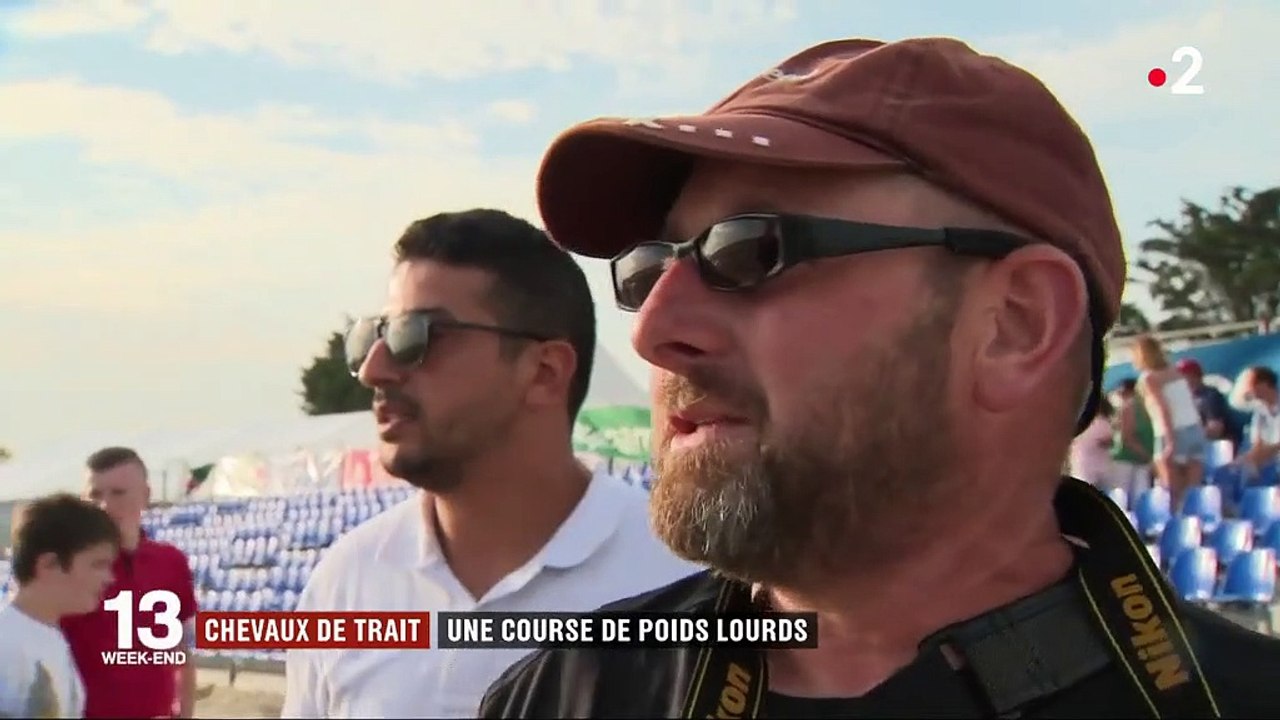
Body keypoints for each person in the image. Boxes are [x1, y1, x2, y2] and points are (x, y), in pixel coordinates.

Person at [479, 37, 1280, 718]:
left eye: (750, 251)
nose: (654, 331)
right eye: (648, 269)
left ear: (1017, 325)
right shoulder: (568, 694)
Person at [282, 209, 698, 718]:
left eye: (417, 336)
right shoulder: (346, 582)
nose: (374, 369)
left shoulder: (684, 579)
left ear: (544, 372)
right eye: (374, 336)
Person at [61, 447, 199, 719]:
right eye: (95, 495)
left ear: (145, 496)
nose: (105, 505)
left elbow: (181, 652)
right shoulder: (66, 569)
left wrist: (185, 714)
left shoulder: (170, 562)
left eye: (118, 493)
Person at [0, 494, 119, 718]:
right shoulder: (7, 646)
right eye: (97, 564)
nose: (109, 578)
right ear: (49, 565)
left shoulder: (49, 637)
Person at [1132, 336, 1207, 510]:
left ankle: (1176, 525)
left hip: (1171, 431)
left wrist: (1170, 442)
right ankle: (1193, 523)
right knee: (1192, 489)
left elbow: (1162, 409)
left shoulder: (1149, 378)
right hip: (1194, 429)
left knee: (1171, 491)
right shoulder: (1176, 373)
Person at [1176, 357, 1241, 452]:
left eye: (1182, 377)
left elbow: (1216, 430)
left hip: (1222, 448)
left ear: (1194, 376)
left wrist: (1188, 438)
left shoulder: (1209, 396)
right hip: (1204, 448)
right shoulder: (1188, 399)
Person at [1109, 378, 1154, 497]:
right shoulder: (1129, 407)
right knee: (1121, 497)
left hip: (1144, 462)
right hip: (1124, 460)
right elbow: (1127, 438)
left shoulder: (1153, 407)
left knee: (1141, 497)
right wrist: (1149, 456)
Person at [1238, 365, 1280, 473]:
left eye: (1252, 385)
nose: (1249, 390)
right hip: (1270, 461)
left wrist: (1267, 453)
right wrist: (1252, 459)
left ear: (1264, 384)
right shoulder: (1259, 410)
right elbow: (1257, 442)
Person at [1068, 395, 1114, 488]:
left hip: (1082, 464)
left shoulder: (1079, 422)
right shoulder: (1104, 423)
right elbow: (1108, 441)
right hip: (1101, 467)